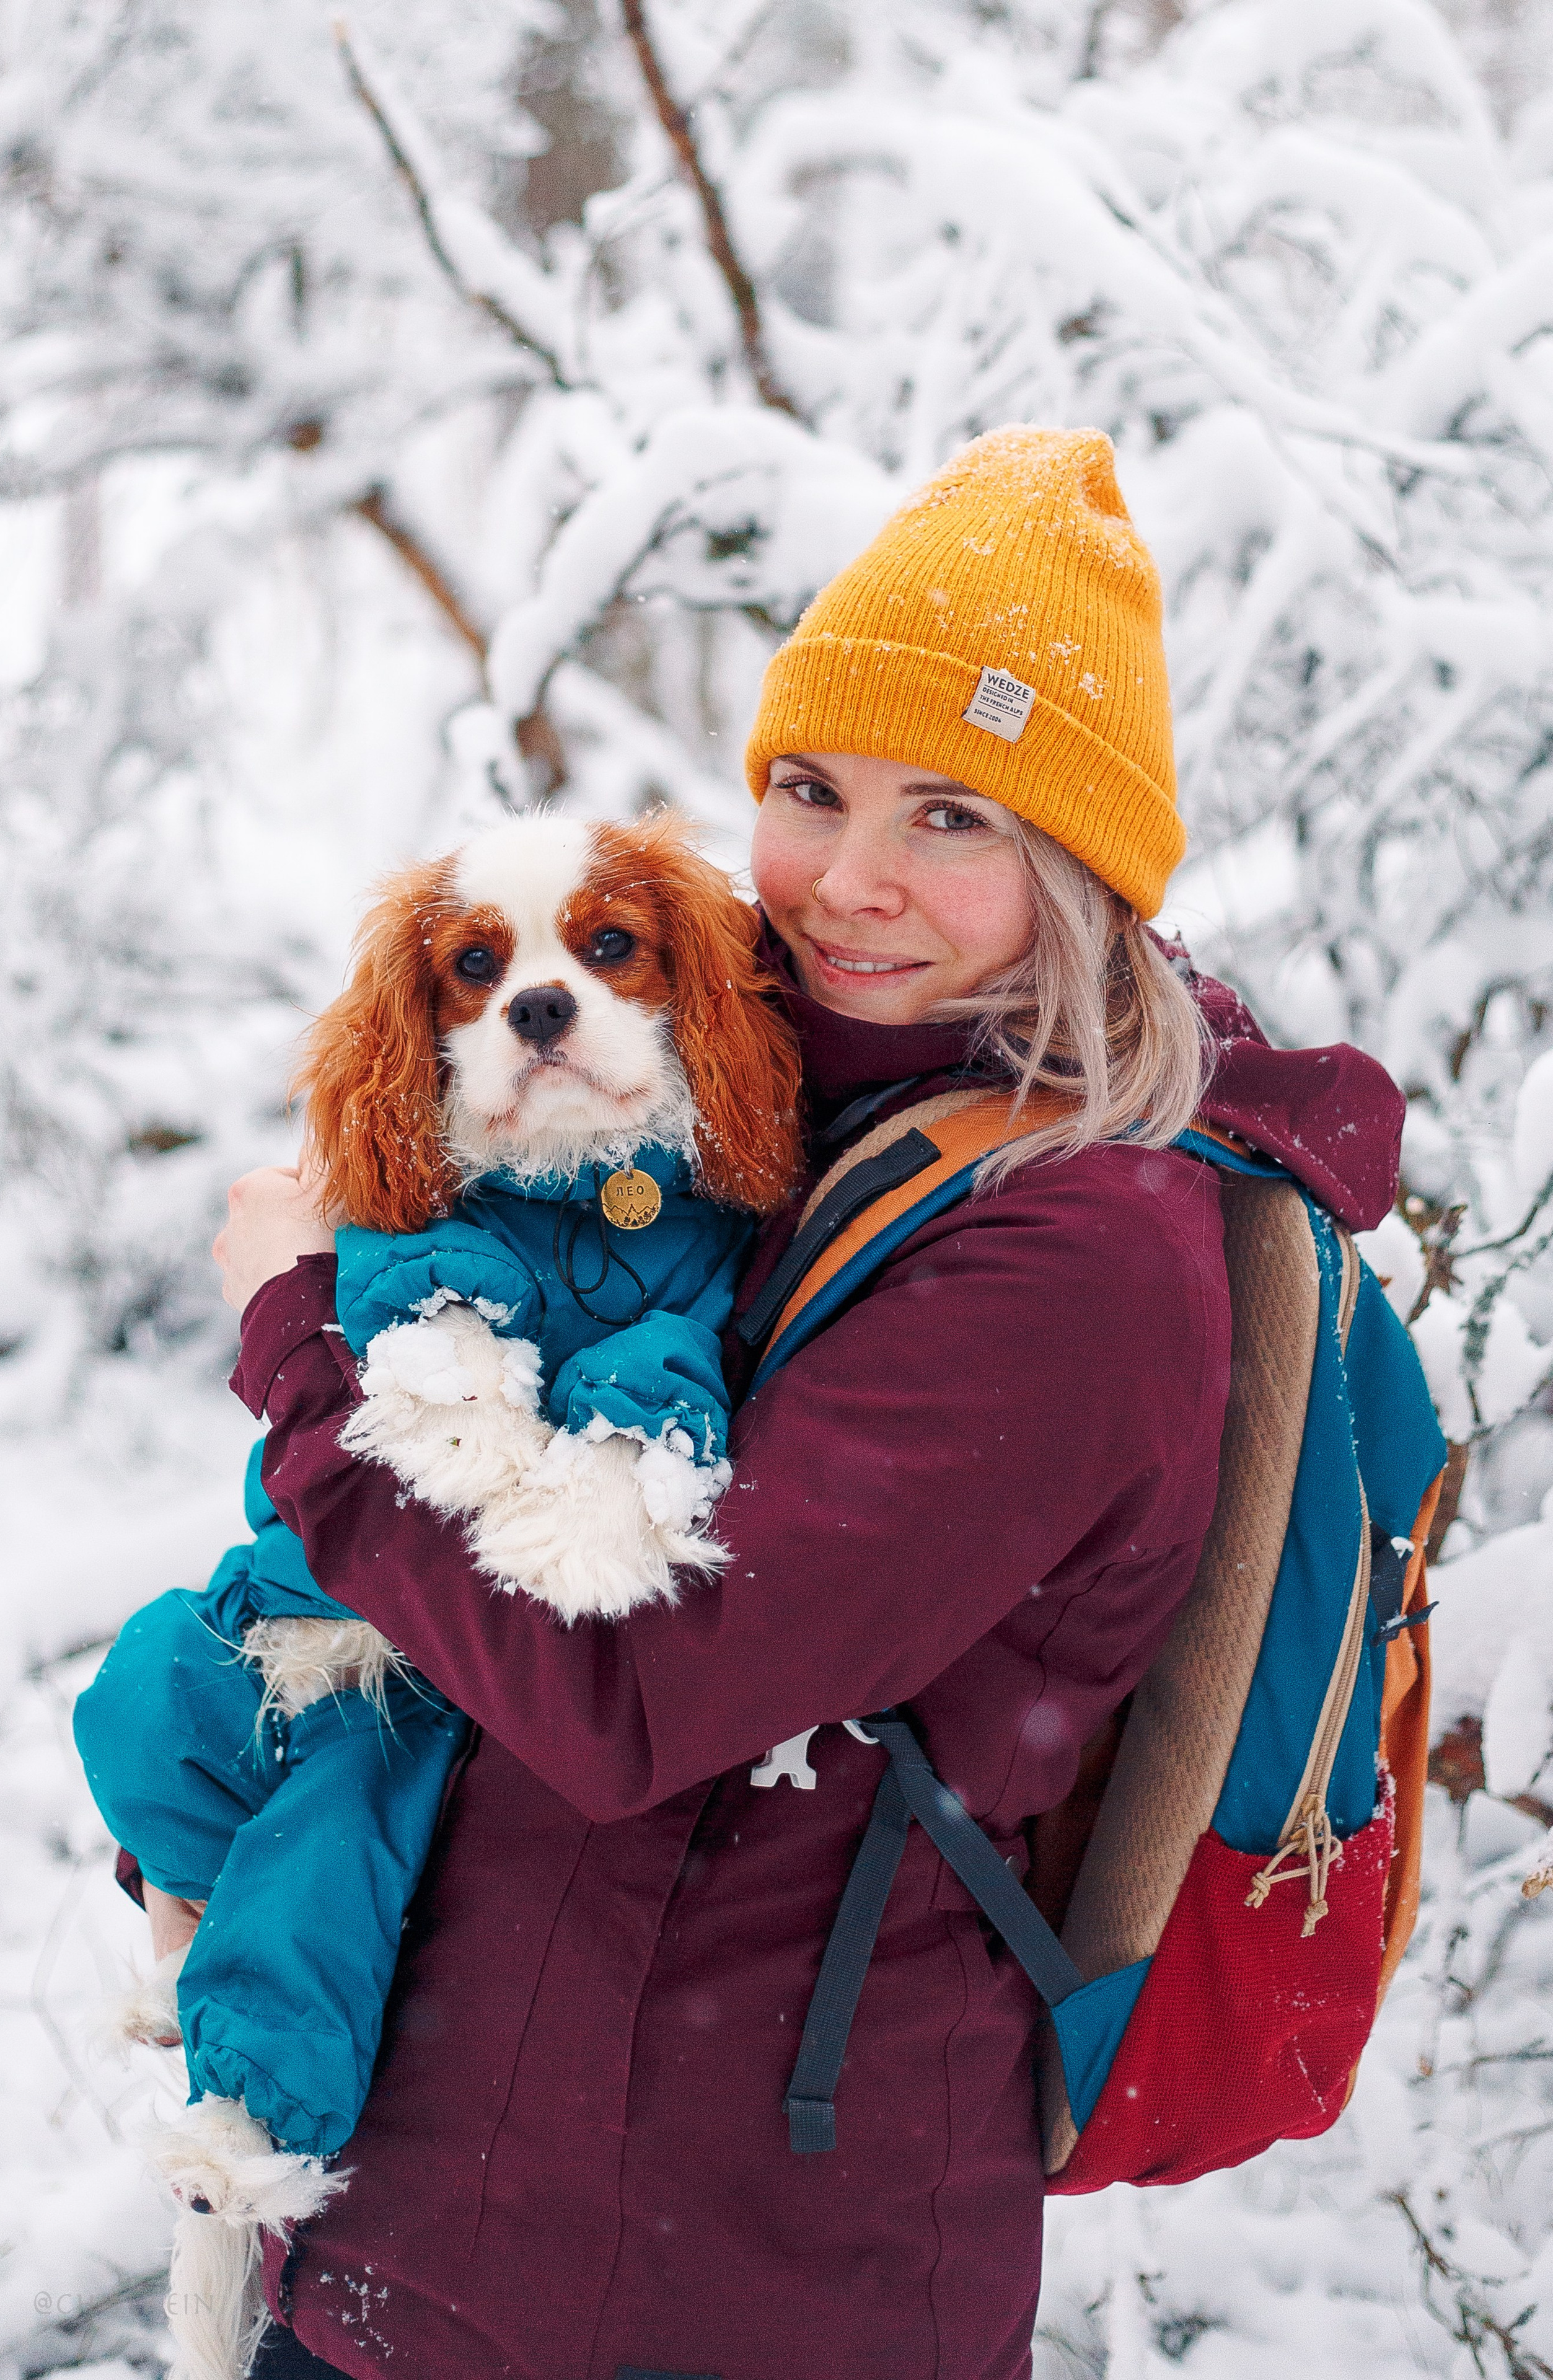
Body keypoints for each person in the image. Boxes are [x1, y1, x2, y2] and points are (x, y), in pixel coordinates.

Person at [180, 426, 1404, 2380]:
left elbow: (629, 1694)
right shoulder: (773, 1087)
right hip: (438, 2220)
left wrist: (298, 1355)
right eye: (812, 792)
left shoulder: (1081, 1256)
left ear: (1081, 869)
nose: (848, 882)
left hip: (738, 2282)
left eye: (956, 820)